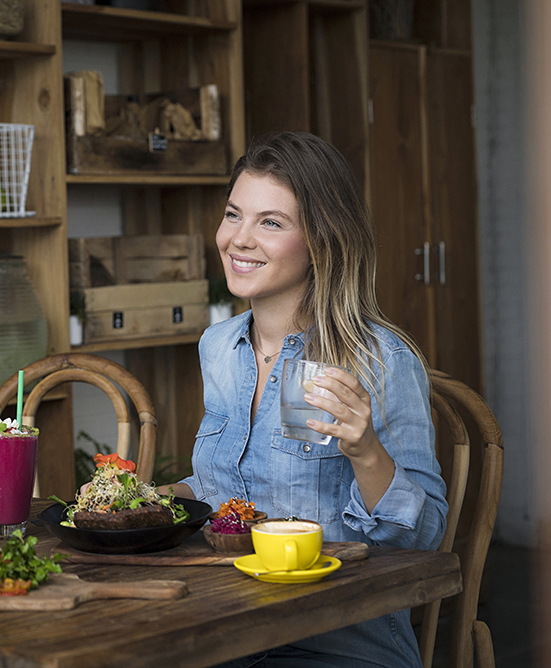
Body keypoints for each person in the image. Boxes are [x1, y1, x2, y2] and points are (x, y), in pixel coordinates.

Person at [167, 131, 447, 667]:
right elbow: (225, 484)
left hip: (338, 638)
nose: (238, 239)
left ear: (323, 240)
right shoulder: (220, 347)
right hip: (225, 623)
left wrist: (366, 452)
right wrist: (139, 500)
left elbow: (425, 539)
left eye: (270, 222)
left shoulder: (379, 361)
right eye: (233, 214)